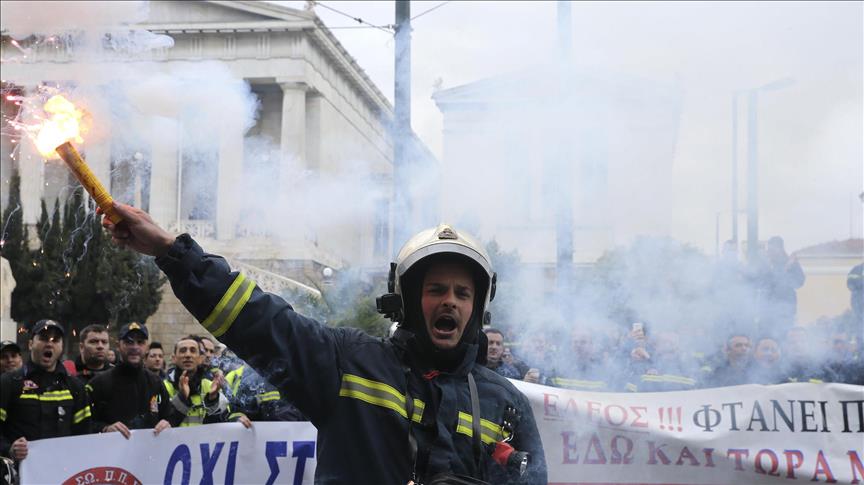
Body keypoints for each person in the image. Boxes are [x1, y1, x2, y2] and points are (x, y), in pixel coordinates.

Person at [101, 202, 546, 485]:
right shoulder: (349, 362)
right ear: (410, 301)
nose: (449, 301)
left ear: (476, 308)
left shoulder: (505, 403)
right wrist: (172, 252)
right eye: (435, 290)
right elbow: (260, 321)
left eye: (462, 293)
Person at [0, 320, 92, 462]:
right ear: (31, 344)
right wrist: (9, 449)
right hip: (20, 474)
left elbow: (84, 435)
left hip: (61, 471)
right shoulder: (9, 382)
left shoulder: (76, 386)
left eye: (55, 340)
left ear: (61, 346)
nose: (49, 344)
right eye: (43, 339)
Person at [86, 322, 174, 438]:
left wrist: (167, 425)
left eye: (140, 342)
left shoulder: (156, 382)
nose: (135, 347)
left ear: (147, 347)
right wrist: (105, 429)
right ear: (118, 345)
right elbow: (85, 425)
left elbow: (169, 417)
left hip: (149, 453)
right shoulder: (98, 383)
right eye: (129, 342)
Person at [163, 336, 229, 426]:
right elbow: (160, 423)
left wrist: (212, 399)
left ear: (200, 359)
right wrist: (181, 398)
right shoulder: (163, 387)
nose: (188, 355)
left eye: (193, 351)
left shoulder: (211, 386)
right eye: (183, 351)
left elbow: (223, 424)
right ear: (174, 358)